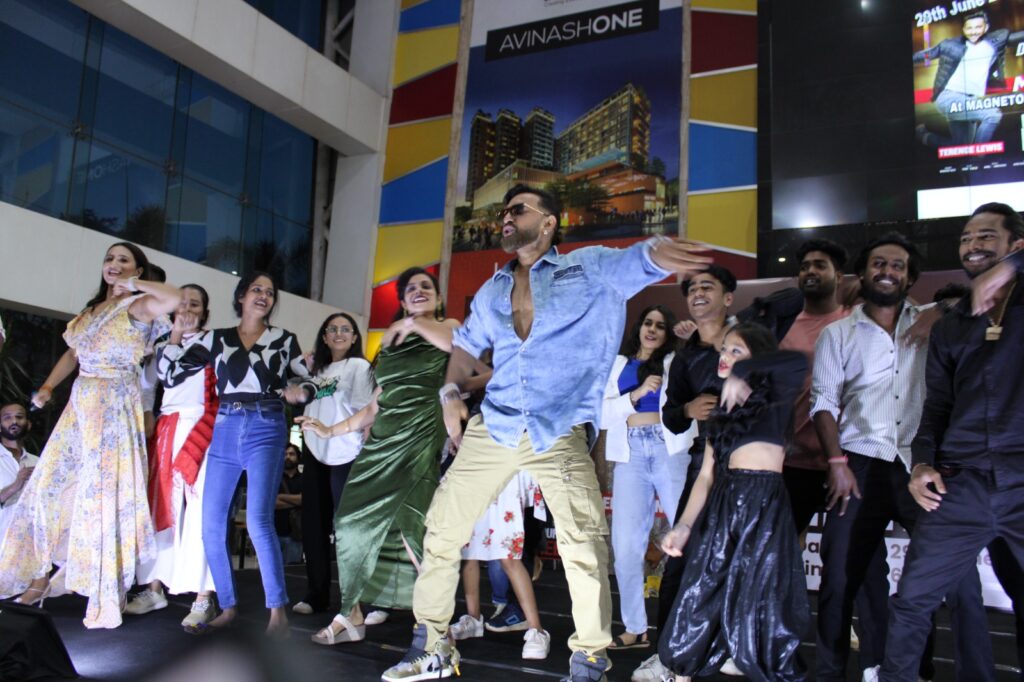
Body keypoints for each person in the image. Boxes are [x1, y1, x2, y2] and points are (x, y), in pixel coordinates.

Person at [380, 184, 711, 682]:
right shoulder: (493, 289)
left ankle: (590, 660)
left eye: (518, 209)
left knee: (583, 544)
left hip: (559, 426)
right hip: (495, 424)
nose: (506, 217)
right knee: (442, 529)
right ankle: (432, 646)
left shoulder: (588, 267)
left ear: (549, 222)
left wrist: (661, 252)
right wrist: (449, 393)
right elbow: (465, 347)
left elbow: (640, 260)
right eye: (504, 211)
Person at [812, 233, 991, 681]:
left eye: (897, 265)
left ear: (910, 278)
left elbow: (982, 294)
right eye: (878, 263)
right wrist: (836, 464)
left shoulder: (939, 321)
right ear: (862, 273)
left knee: (955, 582)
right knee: (839, 581)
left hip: (924, 465)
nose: (887, 272)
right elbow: (823, 402)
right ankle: (830, 672)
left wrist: (944, 310)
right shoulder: (838, 333)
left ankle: (926, 672)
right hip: (858, 465)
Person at [0, 241, 179, 628]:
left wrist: (136, 284)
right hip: (80, 407)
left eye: (124, 260)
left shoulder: (137, 305)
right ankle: (38, 578)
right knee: (46, 489)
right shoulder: (89, 312)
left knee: (102, 500)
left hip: (114, 407)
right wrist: (47, 387)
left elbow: (174, 298)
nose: (114, 264)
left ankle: (106, 593)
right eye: (110, 258)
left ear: (137, 269)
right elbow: (72, 354)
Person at [881, 203, 1024, 680]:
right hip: (961, 485)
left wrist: (1011, 269)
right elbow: (937, 405)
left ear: (1015, 244)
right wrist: (922, 463)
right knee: (911, 601)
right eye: (966, 238)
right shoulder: (952, 324)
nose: (972, 246)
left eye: (986, 236)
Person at [296, 267, 460, 647]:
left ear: (438, 298)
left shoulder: (447, 327)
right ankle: (351, 614)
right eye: (411, 289)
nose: (419, 291)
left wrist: (412, 322)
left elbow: (452, 345)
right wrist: (331, 430)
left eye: (426, 287)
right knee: (349, 523)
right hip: (380, 443)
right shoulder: (391, 343)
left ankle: (437, 626)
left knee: (412, 528)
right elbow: (374, 405)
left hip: (419, 438)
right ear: (401, 301)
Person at [160, 270, 315, 639]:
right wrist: (176, 333)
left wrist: (301, 393)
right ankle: (227, 606)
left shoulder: (283, 339)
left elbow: (308, 381)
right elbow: (169, 375)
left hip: (267, 423)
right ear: (242, 296)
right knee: (211, 525)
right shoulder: (215, 339)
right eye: (256, 289)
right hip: (225, 426)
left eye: (270, 292)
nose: (263, 295)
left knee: (259, 521)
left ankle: (277, 613)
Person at [659, 323, 810, 680]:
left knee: (762, 607)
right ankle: (681, 670)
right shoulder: (722, 411)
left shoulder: (777, 397)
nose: (725, 357)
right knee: (701, 594)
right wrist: (683, 526)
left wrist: (744, 371)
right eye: (724, 350)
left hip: (762, 508)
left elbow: (797, 361)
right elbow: (706, 476)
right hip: (723, 508)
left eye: (736, 351)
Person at [633, 266, 734, 682]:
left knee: (740, 560)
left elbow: (790, 300)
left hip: (757, 465)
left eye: (708, 287)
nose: (698, 293)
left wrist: (733, 329)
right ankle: (667, 656)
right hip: (704, 461)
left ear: (729, 298)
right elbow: (672, 417)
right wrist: (690, 409)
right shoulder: (686, 358)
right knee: (680, 559)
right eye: (692, 289)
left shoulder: (750, 338)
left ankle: (731, 647)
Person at [124, 284, 219, 632]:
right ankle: (153, 588)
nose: (188, 310)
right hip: (167, 429)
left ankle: (203, 597)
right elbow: (149, 382)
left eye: (195, 304)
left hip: (202, 428)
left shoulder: (216, 343)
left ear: (205, 312)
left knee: (200, 512)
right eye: (182, 304)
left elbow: (174, 374)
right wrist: (149, 414)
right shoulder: (164, 344)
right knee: (161, 508)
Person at [601, 304, 692, 652]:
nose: (652, 329)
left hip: (669, 449)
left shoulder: (674, 362)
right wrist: (635, 395)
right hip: (630, 454)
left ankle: (693, 626)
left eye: (660, 325)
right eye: (648, 323)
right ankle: (635, 629)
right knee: (625, 547)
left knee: (688, 536)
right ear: (639, 327)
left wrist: (692, 339)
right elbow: (602, 414)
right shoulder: (618, 365)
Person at [292, 312, 374, 615]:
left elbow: (367, 410)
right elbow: (295, 372)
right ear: (324, 337)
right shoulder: (315, 371)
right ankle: (316, 595)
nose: (339, 333)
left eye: (345, 329)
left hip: (348, 453)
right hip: (315, 452)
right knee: (314, 527)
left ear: (354, 337)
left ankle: (355, 600)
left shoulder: (359, 366)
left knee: (349, 531)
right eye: (332, 329)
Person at [914, 10, 1024, 146]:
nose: (973, 32)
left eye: (978, 27)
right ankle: (978, 156)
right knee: (992, 115)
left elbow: (1016, 38)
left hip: (969, 99)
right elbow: (927, 54)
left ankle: (924, 136)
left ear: (986, 28)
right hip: (949, 98)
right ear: (964, 29)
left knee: (961, 145)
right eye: (969, 28)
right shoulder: (950, 45)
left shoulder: (995, 41)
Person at [0, 403, 39, 548]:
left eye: (19, 417)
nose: (14, 421)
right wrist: (16, 485)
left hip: (31, 545)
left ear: (28, 425)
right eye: (7, 418)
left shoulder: (39, 462)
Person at [275, 444, 303, 564]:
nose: (288, 457)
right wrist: (297, 502)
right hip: (274, 534)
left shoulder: (304, 479)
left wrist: (280, 496)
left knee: (292, 571)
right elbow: (271, 504)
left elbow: (306, 500)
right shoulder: (274, 479)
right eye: (285, 454)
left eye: (291, 454)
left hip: (295, 535)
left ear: (298, 457)